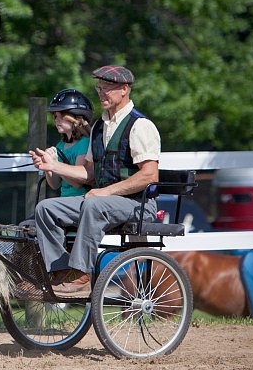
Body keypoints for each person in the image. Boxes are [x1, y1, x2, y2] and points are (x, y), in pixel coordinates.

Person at [29, 65, 161, 296]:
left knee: (93, 202)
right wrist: (52, 166)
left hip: (137, 204)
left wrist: (106, 192)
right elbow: (88, 174)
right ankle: (60, 273)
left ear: (124, 89)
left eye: (107, 88)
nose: (101, 93)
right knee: (46, 209)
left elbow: (150, 176)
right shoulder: (99, 127)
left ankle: (82, 274)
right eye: (99, 88)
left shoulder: (140, 125)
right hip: (104, 204)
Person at [41, 88, 93, 197]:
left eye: (61, 116)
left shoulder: (84, 143)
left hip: (81, 199)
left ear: (76, 118)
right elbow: (55, 185)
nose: (56, 120)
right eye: (55, 116)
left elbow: (78, 183)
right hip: (64, 200)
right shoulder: (60, 146)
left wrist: (55, 164)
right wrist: (47, 165)